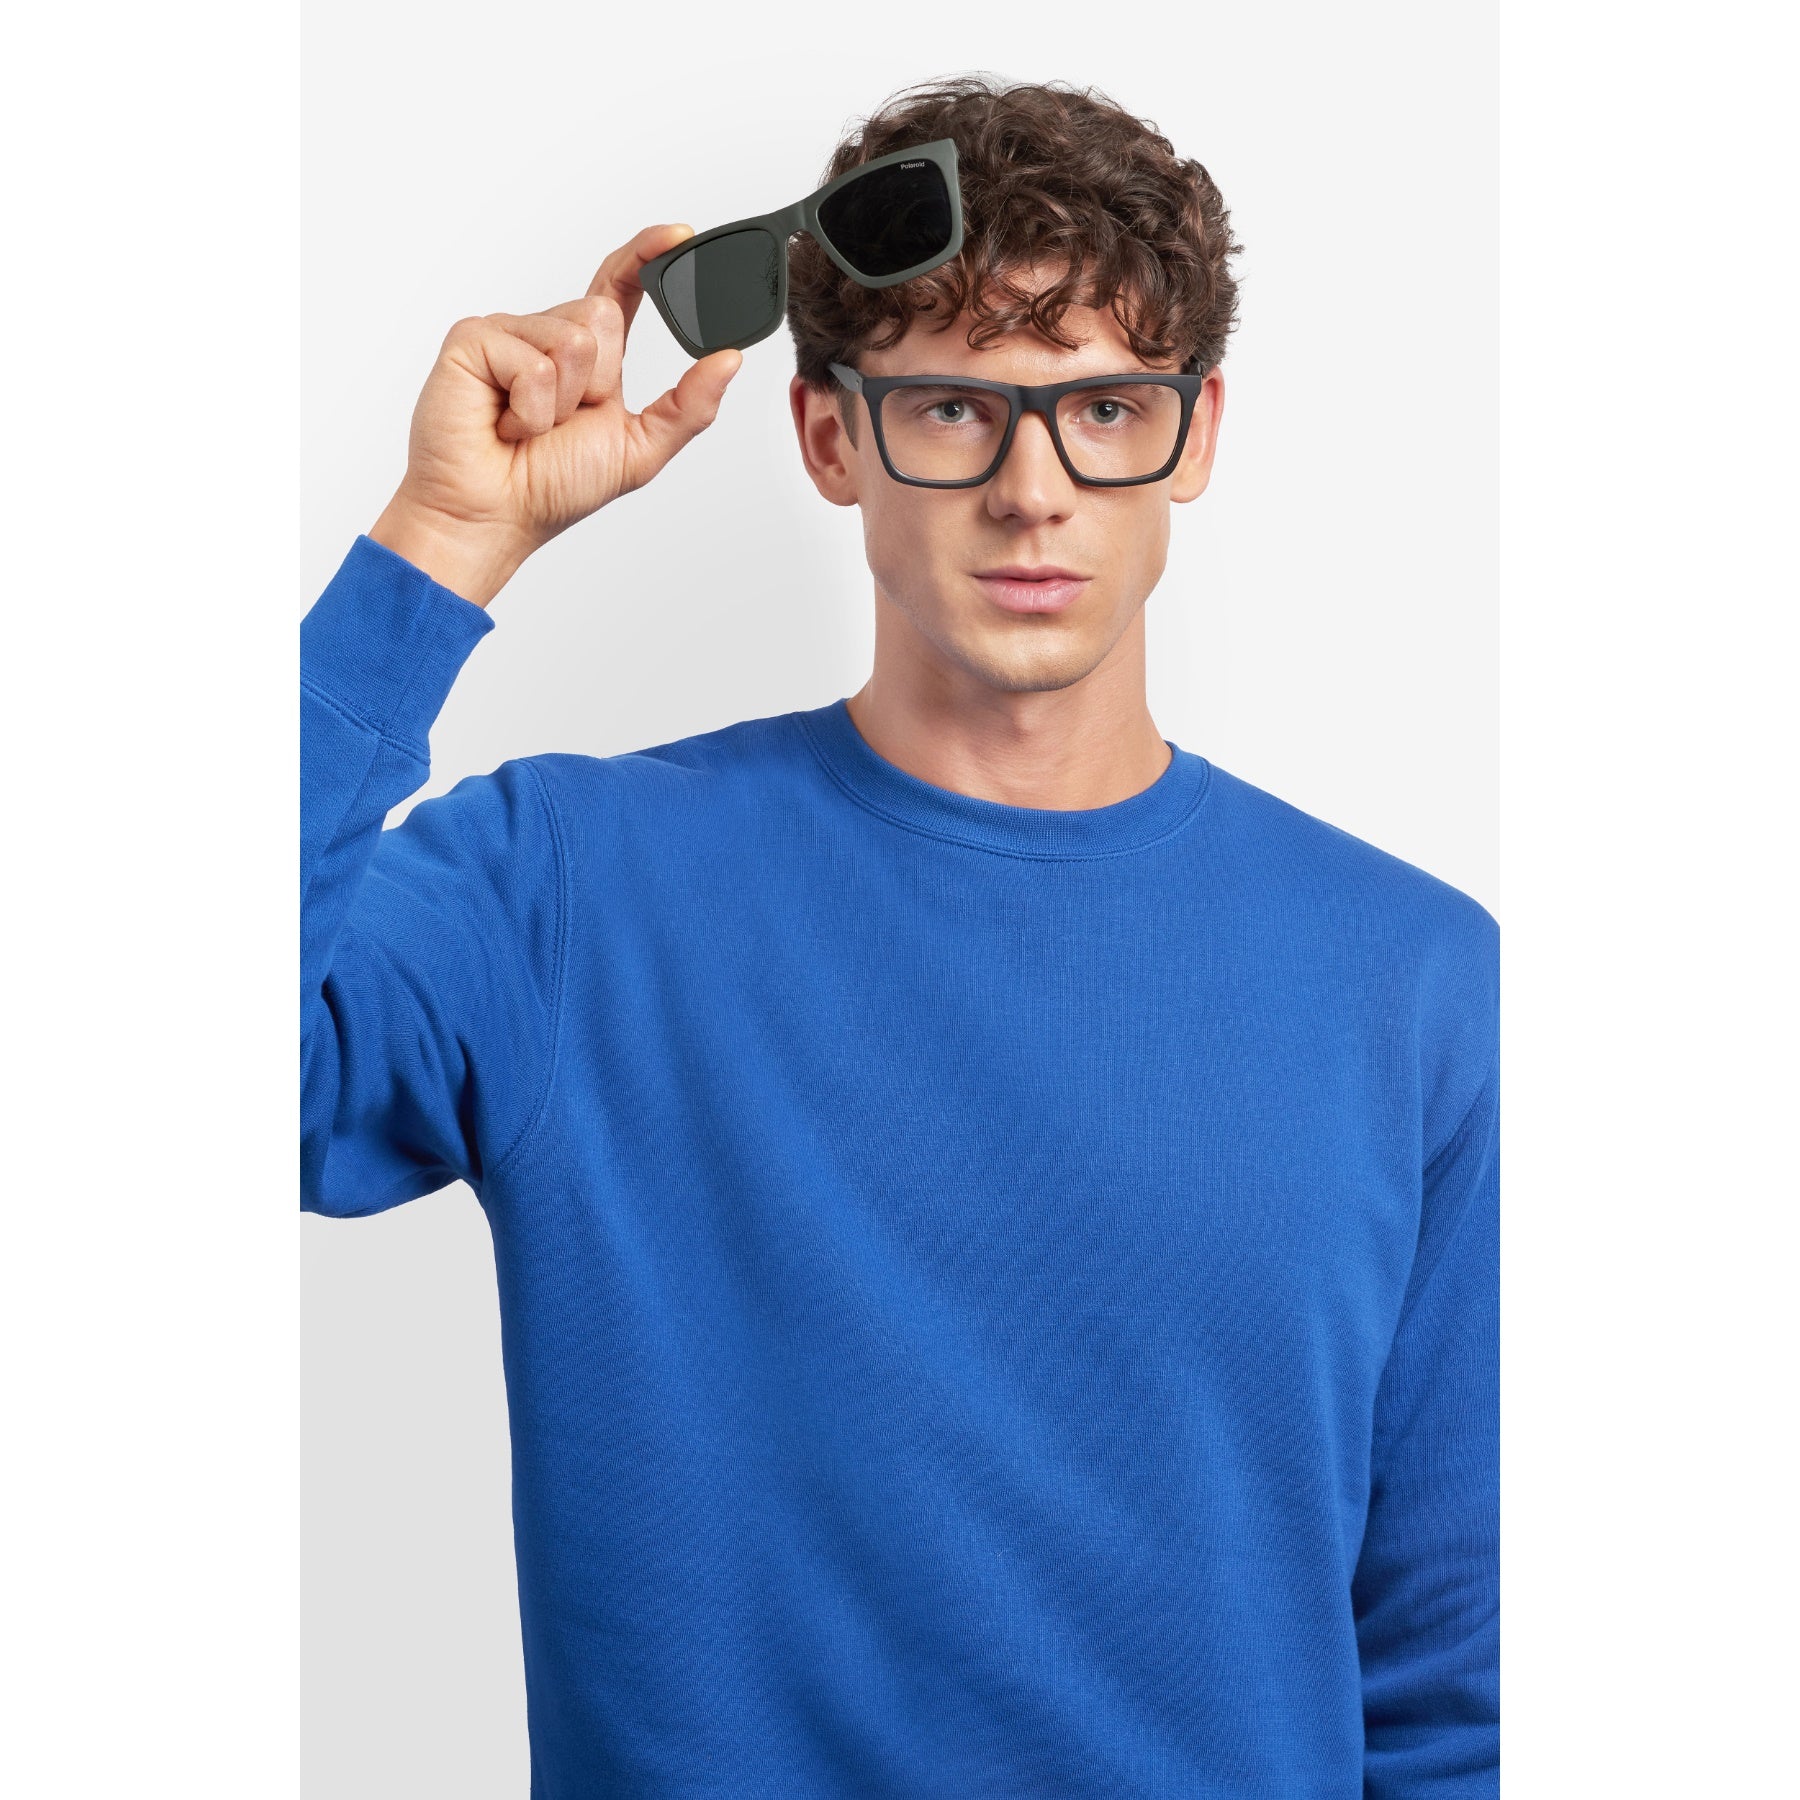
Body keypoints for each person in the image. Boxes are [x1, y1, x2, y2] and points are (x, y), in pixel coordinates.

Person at [301, 75, 1499, 1797]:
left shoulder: (1418, 985)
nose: (1034, 489)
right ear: (829, 438)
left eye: (1106, 408)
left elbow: (1458, 1689)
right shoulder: (564, 887)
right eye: (953, 408)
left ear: (1197, 433)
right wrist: (436, 549)